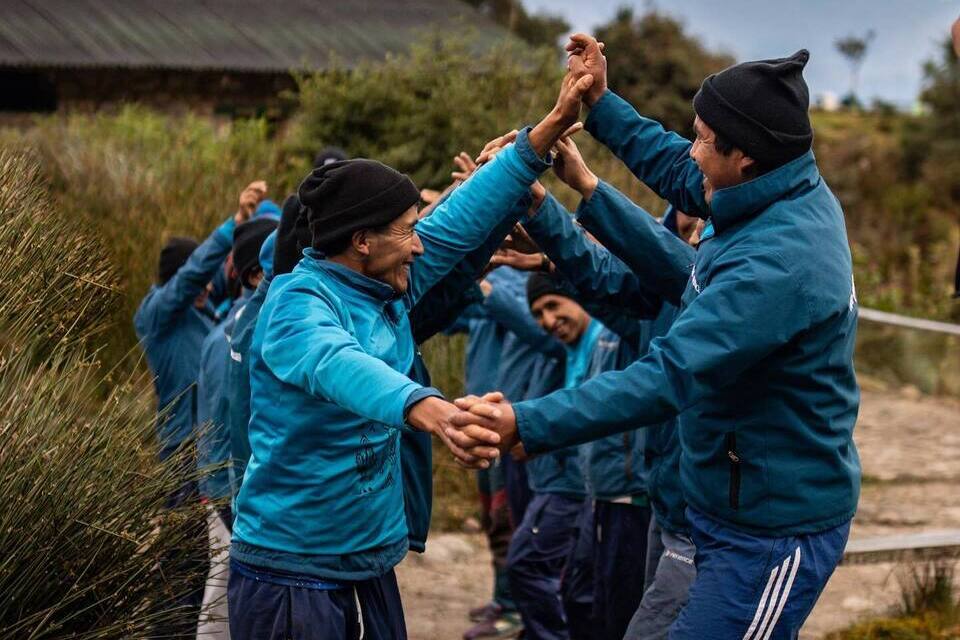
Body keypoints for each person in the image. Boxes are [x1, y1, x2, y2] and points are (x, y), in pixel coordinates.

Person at [449, 37, 861, 639]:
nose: (691, 152)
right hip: (713, 508)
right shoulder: (762, 194)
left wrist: (527, 423)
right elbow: (678, 215)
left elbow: (668, 373)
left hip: (770, 533)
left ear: (744, 155)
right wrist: (601, 106)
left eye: (700, 137)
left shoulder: (782, 261)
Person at [227, 70, 597, 639]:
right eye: (405, 232)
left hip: (368, 559)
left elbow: (461, 215)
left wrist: (545, 131)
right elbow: (340, 365)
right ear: (361, 241)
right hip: (293, 568)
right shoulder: (295, 307)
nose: (419, 243)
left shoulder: (388, 277)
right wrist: (436, 411)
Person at [134, 180, 266, 637]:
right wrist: (235, 226)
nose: (206, 278)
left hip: (210, 461)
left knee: (203, 575)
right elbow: (192, 275)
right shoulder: (159, 317)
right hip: (180, 465)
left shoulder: (210, 315)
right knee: (179, 576)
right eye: (196, 272)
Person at [195, 216, 277, 639]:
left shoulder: (239, 321)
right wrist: (229, 492)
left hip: (229, 482)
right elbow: (222, 416)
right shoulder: (232, 333)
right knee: (223, 591)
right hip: (227, 485)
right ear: (255, 273)